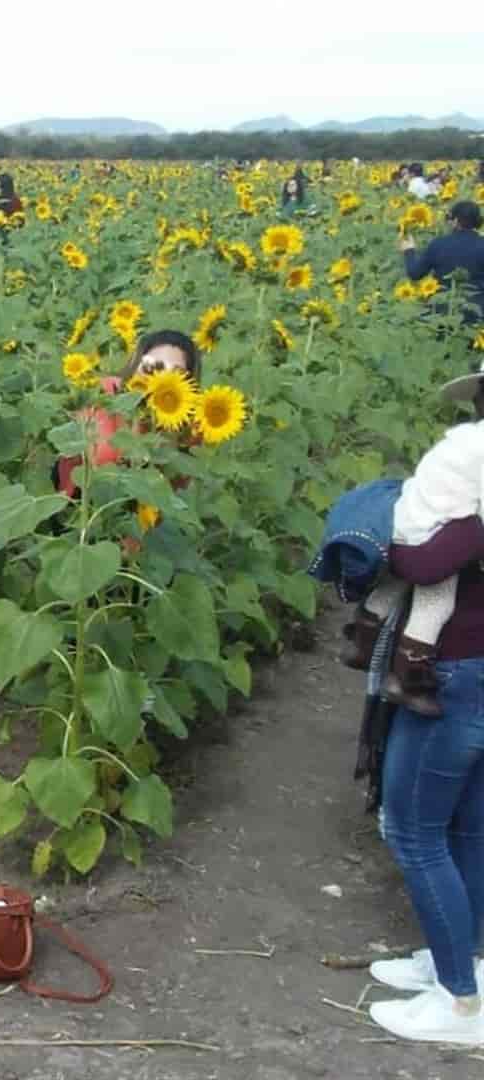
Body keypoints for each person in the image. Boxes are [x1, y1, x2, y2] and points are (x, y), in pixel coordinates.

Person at [349, 367, 484, 1044]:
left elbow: (427, 563)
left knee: (413, 830)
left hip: (457, 669)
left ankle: (462, 1003)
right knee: (469, 826)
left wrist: (393, 535)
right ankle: (460, 962)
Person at [340, 370, 484, 714]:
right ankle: (406, 678)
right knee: (435, 601)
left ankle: (363, 637)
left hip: (403, 527)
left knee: (400, 581)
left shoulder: (460, 439)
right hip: (431, 543)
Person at [54, 330, 202, 499]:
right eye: (154, 367)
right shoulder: (104, 394)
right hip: (81, 501)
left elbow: (175, 493)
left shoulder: (185, 424)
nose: (162, 379)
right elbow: (95, 461)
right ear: (136, 364)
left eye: (175, 373)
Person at [400, 200, 484, 326]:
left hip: (441, 314)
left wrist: (409, 251)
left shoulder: (439, 244)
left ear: (455, 221)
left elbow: (415, 273)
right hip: (476, 316)